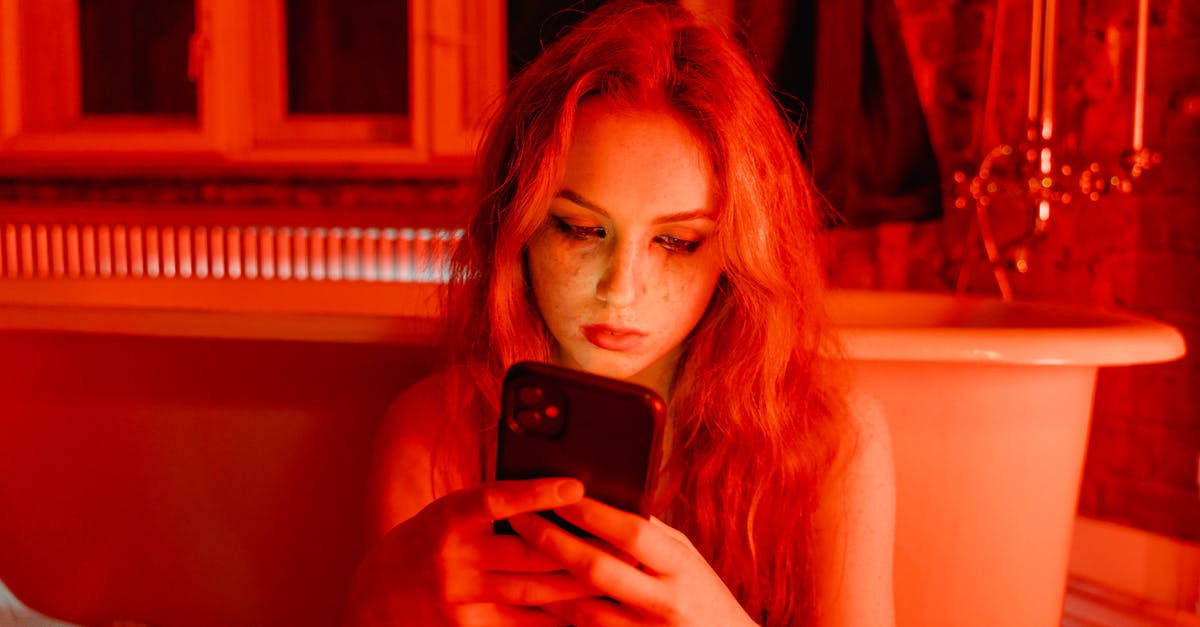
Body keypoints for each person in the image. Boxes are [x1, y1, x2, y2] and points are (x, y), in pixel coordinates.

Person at [344, 1, 895, 625]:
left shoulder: (831, 440)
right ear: (516, 229)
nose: (621, 290)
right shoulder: (435, 435)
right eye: (580, 229)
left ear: (740, 253)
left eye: (677, 242)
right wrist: (375, 604)